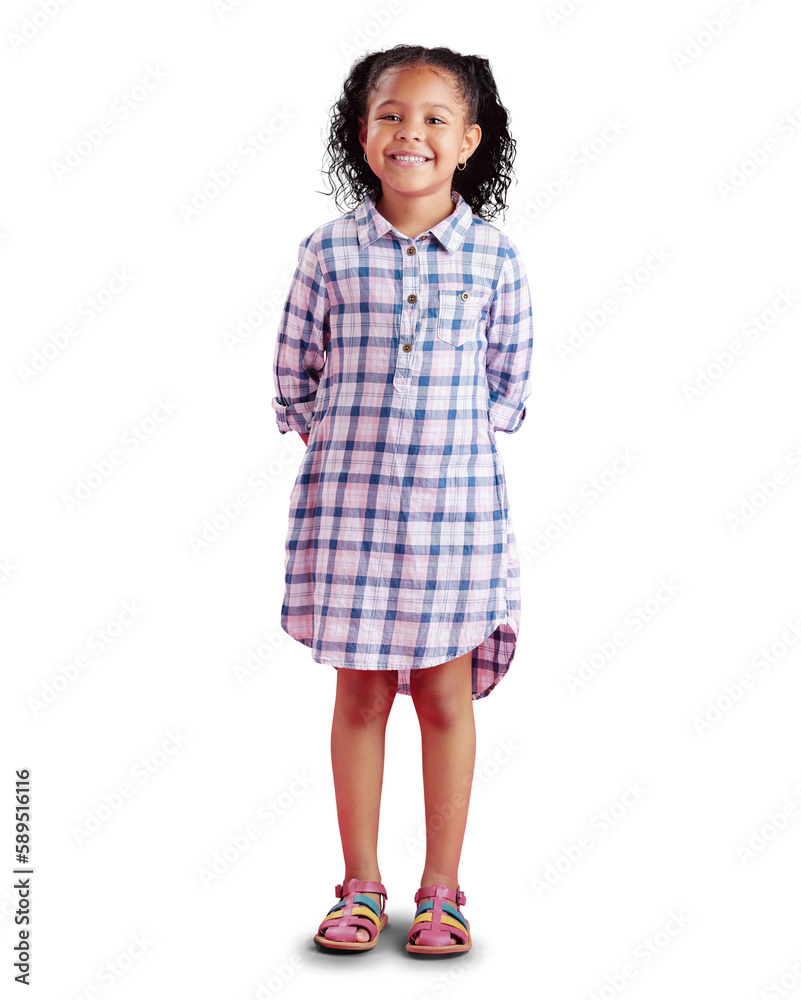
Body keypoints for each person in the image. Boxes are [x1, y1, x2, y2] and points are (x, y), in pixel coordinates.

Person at [271, 43, 533, 955]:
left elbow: (507, 389)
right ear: (361, 132)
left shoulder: (494, 260)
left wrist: (436, 454)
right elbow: (294, 378)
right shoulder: (328, 251)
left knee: (444, 699)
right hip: (350, 515)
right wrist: (356, 450)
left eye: (431, 118)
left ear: (467, 139)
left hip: (456, 517)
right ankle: (359, 887)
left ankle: (443, 888)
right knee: (359, 698)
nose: (408, 132)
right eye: (389, 114)